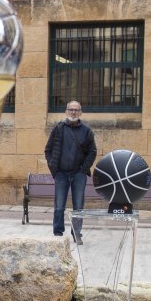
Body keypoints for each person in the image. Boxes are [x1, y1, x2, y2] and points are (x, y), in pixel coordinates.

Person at [44, 101, 96, 244]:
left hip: (79, 174)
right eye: (71, 109)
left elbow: (92, 152)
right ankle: (58, 233)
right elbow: (48, 150)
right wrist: (53, 166)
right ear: (66, 111)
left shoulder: (86, 131)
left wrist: (83, 168)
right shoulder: (58, 128)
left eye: (76, 110)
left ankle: (77, 233)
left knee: (78, 206)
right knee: (59, 205)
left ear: (80, 112)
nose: (73, 112)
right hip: (61, 174)